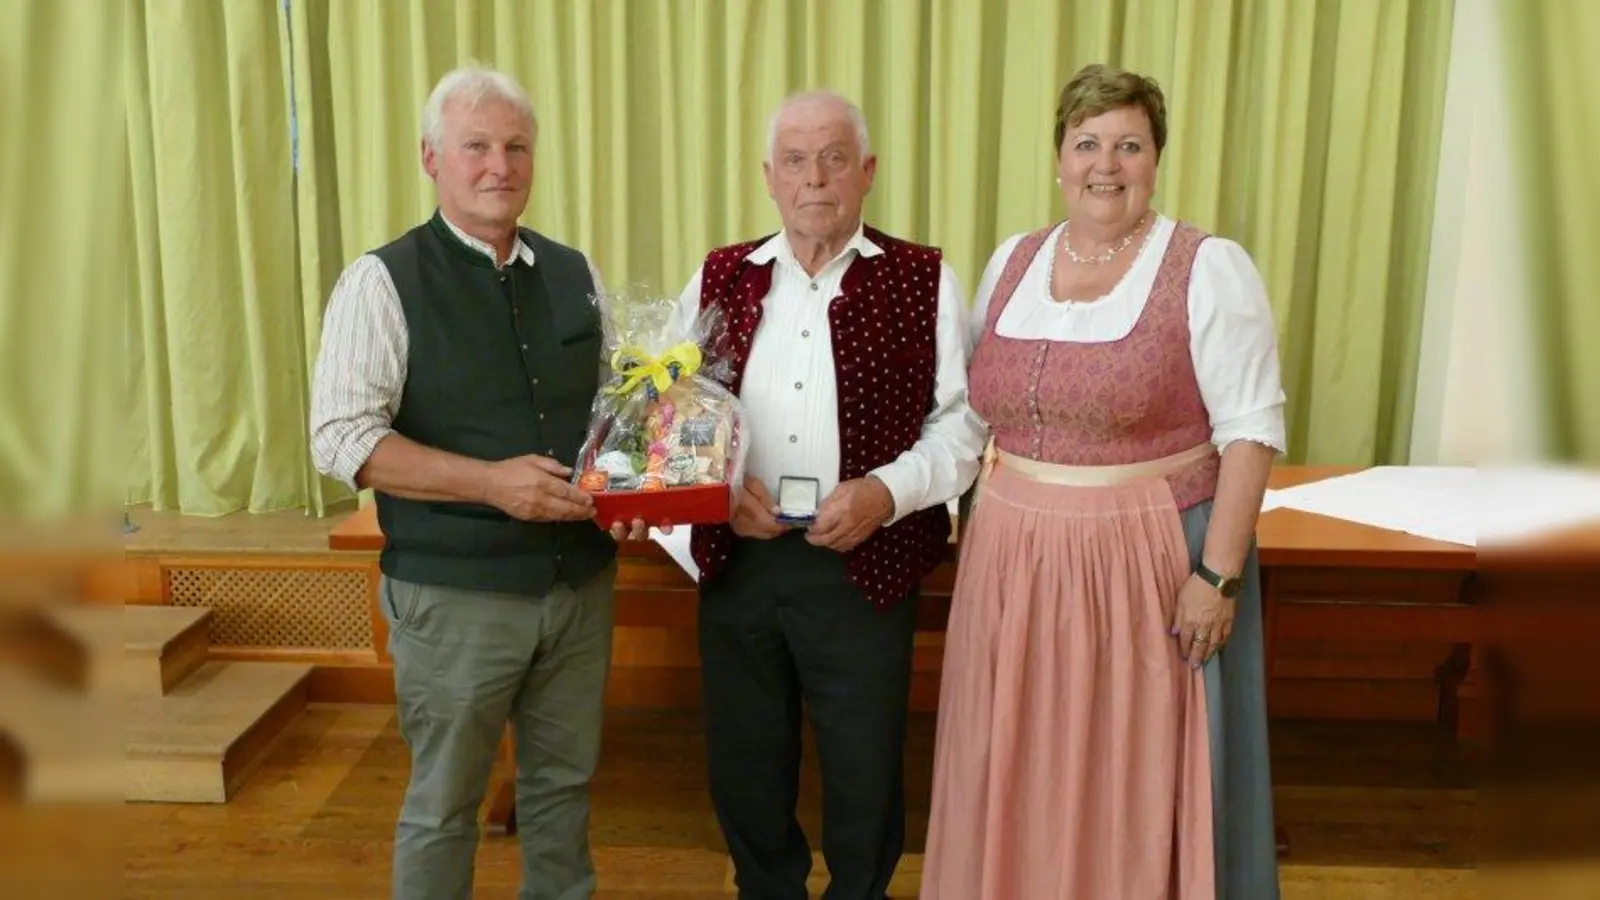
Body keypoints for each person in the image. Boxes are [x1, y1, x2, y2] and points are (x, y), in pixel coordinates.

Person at [920, 64, 1285, 900]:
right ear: (1059, 158)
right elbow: (977, 417)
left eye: (1129, 144)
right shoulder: (1014, 260)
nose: (1106, 164)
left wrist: (1215, 577)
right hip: (1010, 561)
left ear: (1156, 158)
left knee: (1129, 765)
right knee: (1016, 754)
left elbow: (1251, 432)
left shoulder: (1207, 266)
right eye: (1088, 144)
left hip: (1144, 565)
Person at [309, 63, 649, 900]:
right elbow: (342, 440)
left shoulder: (577, 273)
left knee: (562, 795)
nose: (500, 165)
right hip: (452, 599)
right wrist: (489, 484)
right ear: (431, 158)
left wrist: (640, 494)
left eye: (517, 146)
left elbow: (615, 413)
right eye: (477, 147)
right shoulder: (381, 282)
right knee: (444, 806)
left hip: (578, 590)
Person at [677, 90, 985, 900]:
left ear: (868, 172)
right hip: (740, 560)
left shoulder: (925, 278)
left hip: (866, 565)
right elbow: (671, 413)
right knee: (746, 762)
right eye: (796, 160)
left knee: (865, 766)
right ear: (769, 177)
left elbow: (964, 428)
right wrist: (717, 488)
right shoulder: (718, 274)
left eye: (835, 158)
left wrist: (885, 494)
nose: (816, 178)